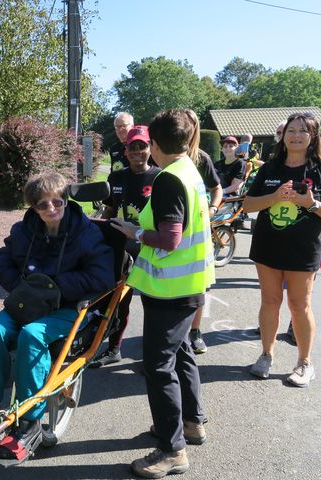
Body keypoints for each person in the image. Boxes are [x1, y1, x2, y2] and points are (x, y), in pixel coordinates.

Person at [0, 172, 114, 461]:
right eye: (42, 205)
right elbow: (1, 262)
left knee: (32, 335)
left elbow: (102, 276)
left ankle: (29, 421)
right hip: (27, 303)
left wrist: (55, 288)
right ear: (33, 208)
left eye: (57, 201)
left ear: (66, 200)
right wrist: (23, 288)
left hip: (66, 307)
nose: (51, 208)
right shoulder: (24, 230)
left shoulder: (85, 232)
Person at [112, 109, 214, 479]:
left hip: (170, 289)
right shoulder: (190, 170)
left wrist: (134, 233)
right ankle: (192, 422)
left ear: (154, 144)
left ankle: (172, 450)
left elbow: (170, 238)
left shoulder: (169, 179)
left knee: (158, 366)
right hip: (188, 285)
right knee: (182, 352)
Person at [243, 112, 321, 387]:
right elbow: (248, 205)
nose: (296, 135)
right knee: (269, 301)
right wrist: (274, 197)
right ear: (283, 135)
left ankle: (305, 363)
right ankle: (266, 355)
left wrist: (311, 204)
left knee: (299, 305)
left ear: (313, 136)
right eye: (291, 130)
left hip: (303, 250)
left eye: (303, 131)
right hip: (268, 246)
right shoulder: (270, 168)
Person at [89, 125, 160, 367]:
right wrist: (95, 227)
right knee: (119, 301)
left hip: (150, 250)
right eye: (133, 147)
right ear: (126, 150)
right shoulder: (116, 177)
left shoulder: (160, 178)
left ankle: (151, 357)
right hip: (121, 249)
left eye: (143, 146)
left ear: (150, 148)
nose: (138, 151)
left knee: (152, 305)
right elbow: (109, 209)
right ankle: (114, 349)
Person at [184, 109, 223, 355]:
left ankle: (195, 331)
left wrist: (212, 208)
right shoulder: (162, 157)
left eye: (190, 124)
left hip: (198, 230)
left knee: (198, 284)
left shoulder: (202, 159)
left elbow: (217, 188)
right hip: (173, 230)